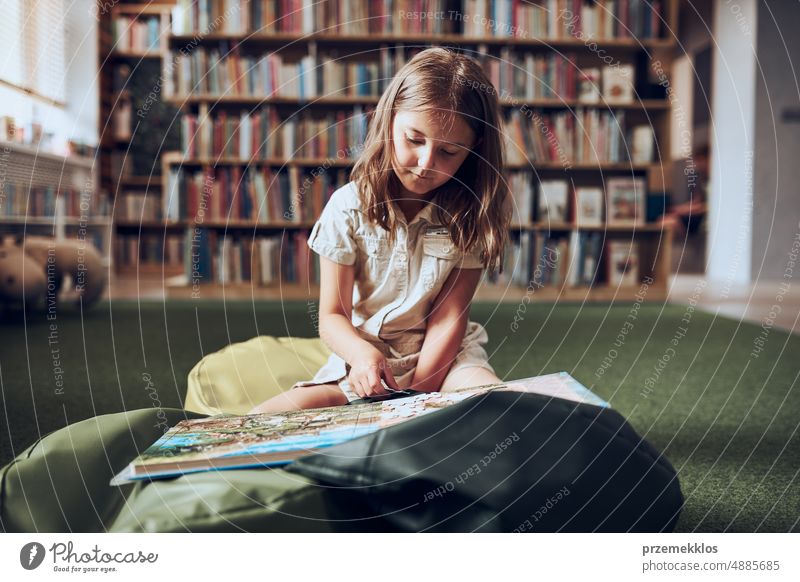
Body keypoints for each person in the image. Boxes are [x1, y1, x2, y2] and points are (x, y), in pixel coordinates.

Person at [249, 47, 510, 414]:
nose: (425, 163)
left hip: (446, 360)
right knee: (260, 420)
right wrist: (362, 356)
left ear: (474, 150)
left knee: (499, 407)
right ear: (389, 120)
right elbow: (333, 316)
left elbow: (449, 317)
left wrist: (417, 396)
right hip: (366, 356)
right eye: (414, 140)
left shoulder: (469, 211)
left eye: (449, 151)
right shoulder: (347, 205)